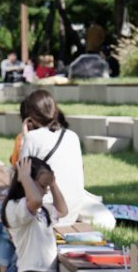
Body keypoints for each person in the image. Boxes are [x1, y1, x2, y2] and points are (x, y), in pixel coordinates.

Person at [18, 89, 89, 221]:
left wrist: (24, 137)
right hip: (72, 209)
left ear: (31, 116)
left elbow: (20, 178)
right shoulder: (72, 136)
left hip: (49, 211)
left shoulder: (32, 138)